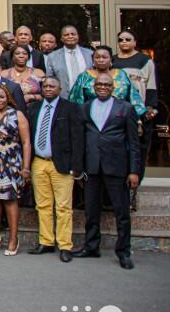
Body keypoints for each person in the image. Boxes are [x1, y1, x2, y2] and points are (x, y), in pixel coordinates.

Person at [71, 73, 141, 269]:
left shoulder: (125, 108)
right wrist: (79, 168)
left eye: (106, 84)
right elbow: (80, 140)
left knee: (121, 213)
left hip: (117, 167)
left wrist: (134, 171)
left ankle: (124, 252)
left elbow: (134, 143)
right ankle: (92, 246)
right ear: (94, 86)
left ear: (113, 87)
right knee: (91, 211)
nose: (102, 87)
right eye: (99, 84)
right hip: (92, 167)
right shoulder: (85, 108)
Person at [26, 77, 82, 262]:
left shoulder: (70, 108)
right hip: (39, 162)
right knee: (42, 205)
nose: (48, 89)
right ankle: (46, 241)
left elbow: (77, 139)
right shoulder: (34, 108)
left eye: (52, 86)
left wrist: (76, 166)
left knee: (63, 207)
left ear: (60, 89)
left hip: (61, 164)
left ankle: (65, 245)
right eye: (45, 86)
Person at [0, 85, 32, 256]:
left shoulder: (17, 115)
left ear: (8, 97)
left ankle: (13, 239)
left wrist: (25, 167)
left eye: (2, 97)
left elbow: (26, 143)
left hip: (10, 162)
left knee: (10, 200)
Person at [112, 29, 159, 188]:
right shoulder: (112, 61)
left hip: (139, 113)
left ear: (135, 42)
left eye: (127, 39)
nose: (124, 42)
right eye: (120, 40)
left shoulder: (144, 61)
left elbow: (151, 86)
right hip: (117, 113)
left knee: (138, 151)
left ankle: (134, 191)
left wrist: (149, 108)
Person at [69, 46, 146, 119]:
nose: (101, 60)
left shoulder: (121, 75)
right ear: (93, 60)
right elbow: (75, 102)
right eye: (97, 57)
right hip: (92, 119)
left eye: (104, 57)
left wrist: (137, 118)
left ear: (110, 60)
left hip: (120, 118)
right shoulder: (84, 77)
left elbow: (134, 97)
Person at [45, 25, 94, 98]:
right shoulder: (52, 57)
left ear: (78, 36)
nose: (70, 36)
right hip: (64, 99)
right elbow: (50, 79)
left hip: (87, 99)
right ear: (61, 38)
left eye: (73, 34)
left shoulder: (90, 54)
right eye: (66, 35)